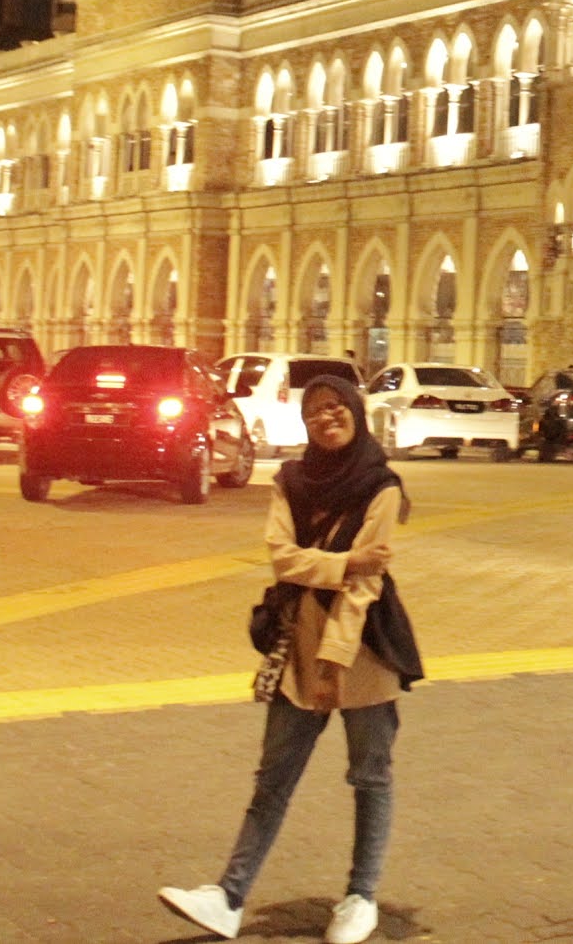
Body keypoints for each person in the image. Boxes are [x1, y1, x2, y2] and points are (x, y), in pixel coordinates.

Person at [160, 376, 421, 944]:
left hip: (363, 648)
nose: (327, 417)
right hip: (299, 646)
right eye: (315, 412)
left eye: (336, 407)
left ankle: (361, 897)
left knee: (370, 776)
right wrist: (345, 561)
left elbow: (366, 584)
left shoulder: (381, 485)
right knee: (273, 778)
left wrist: (335, 657)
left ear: (354, 410)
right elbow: (281, 559)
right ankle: (228, 897)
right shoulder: (292, 481)